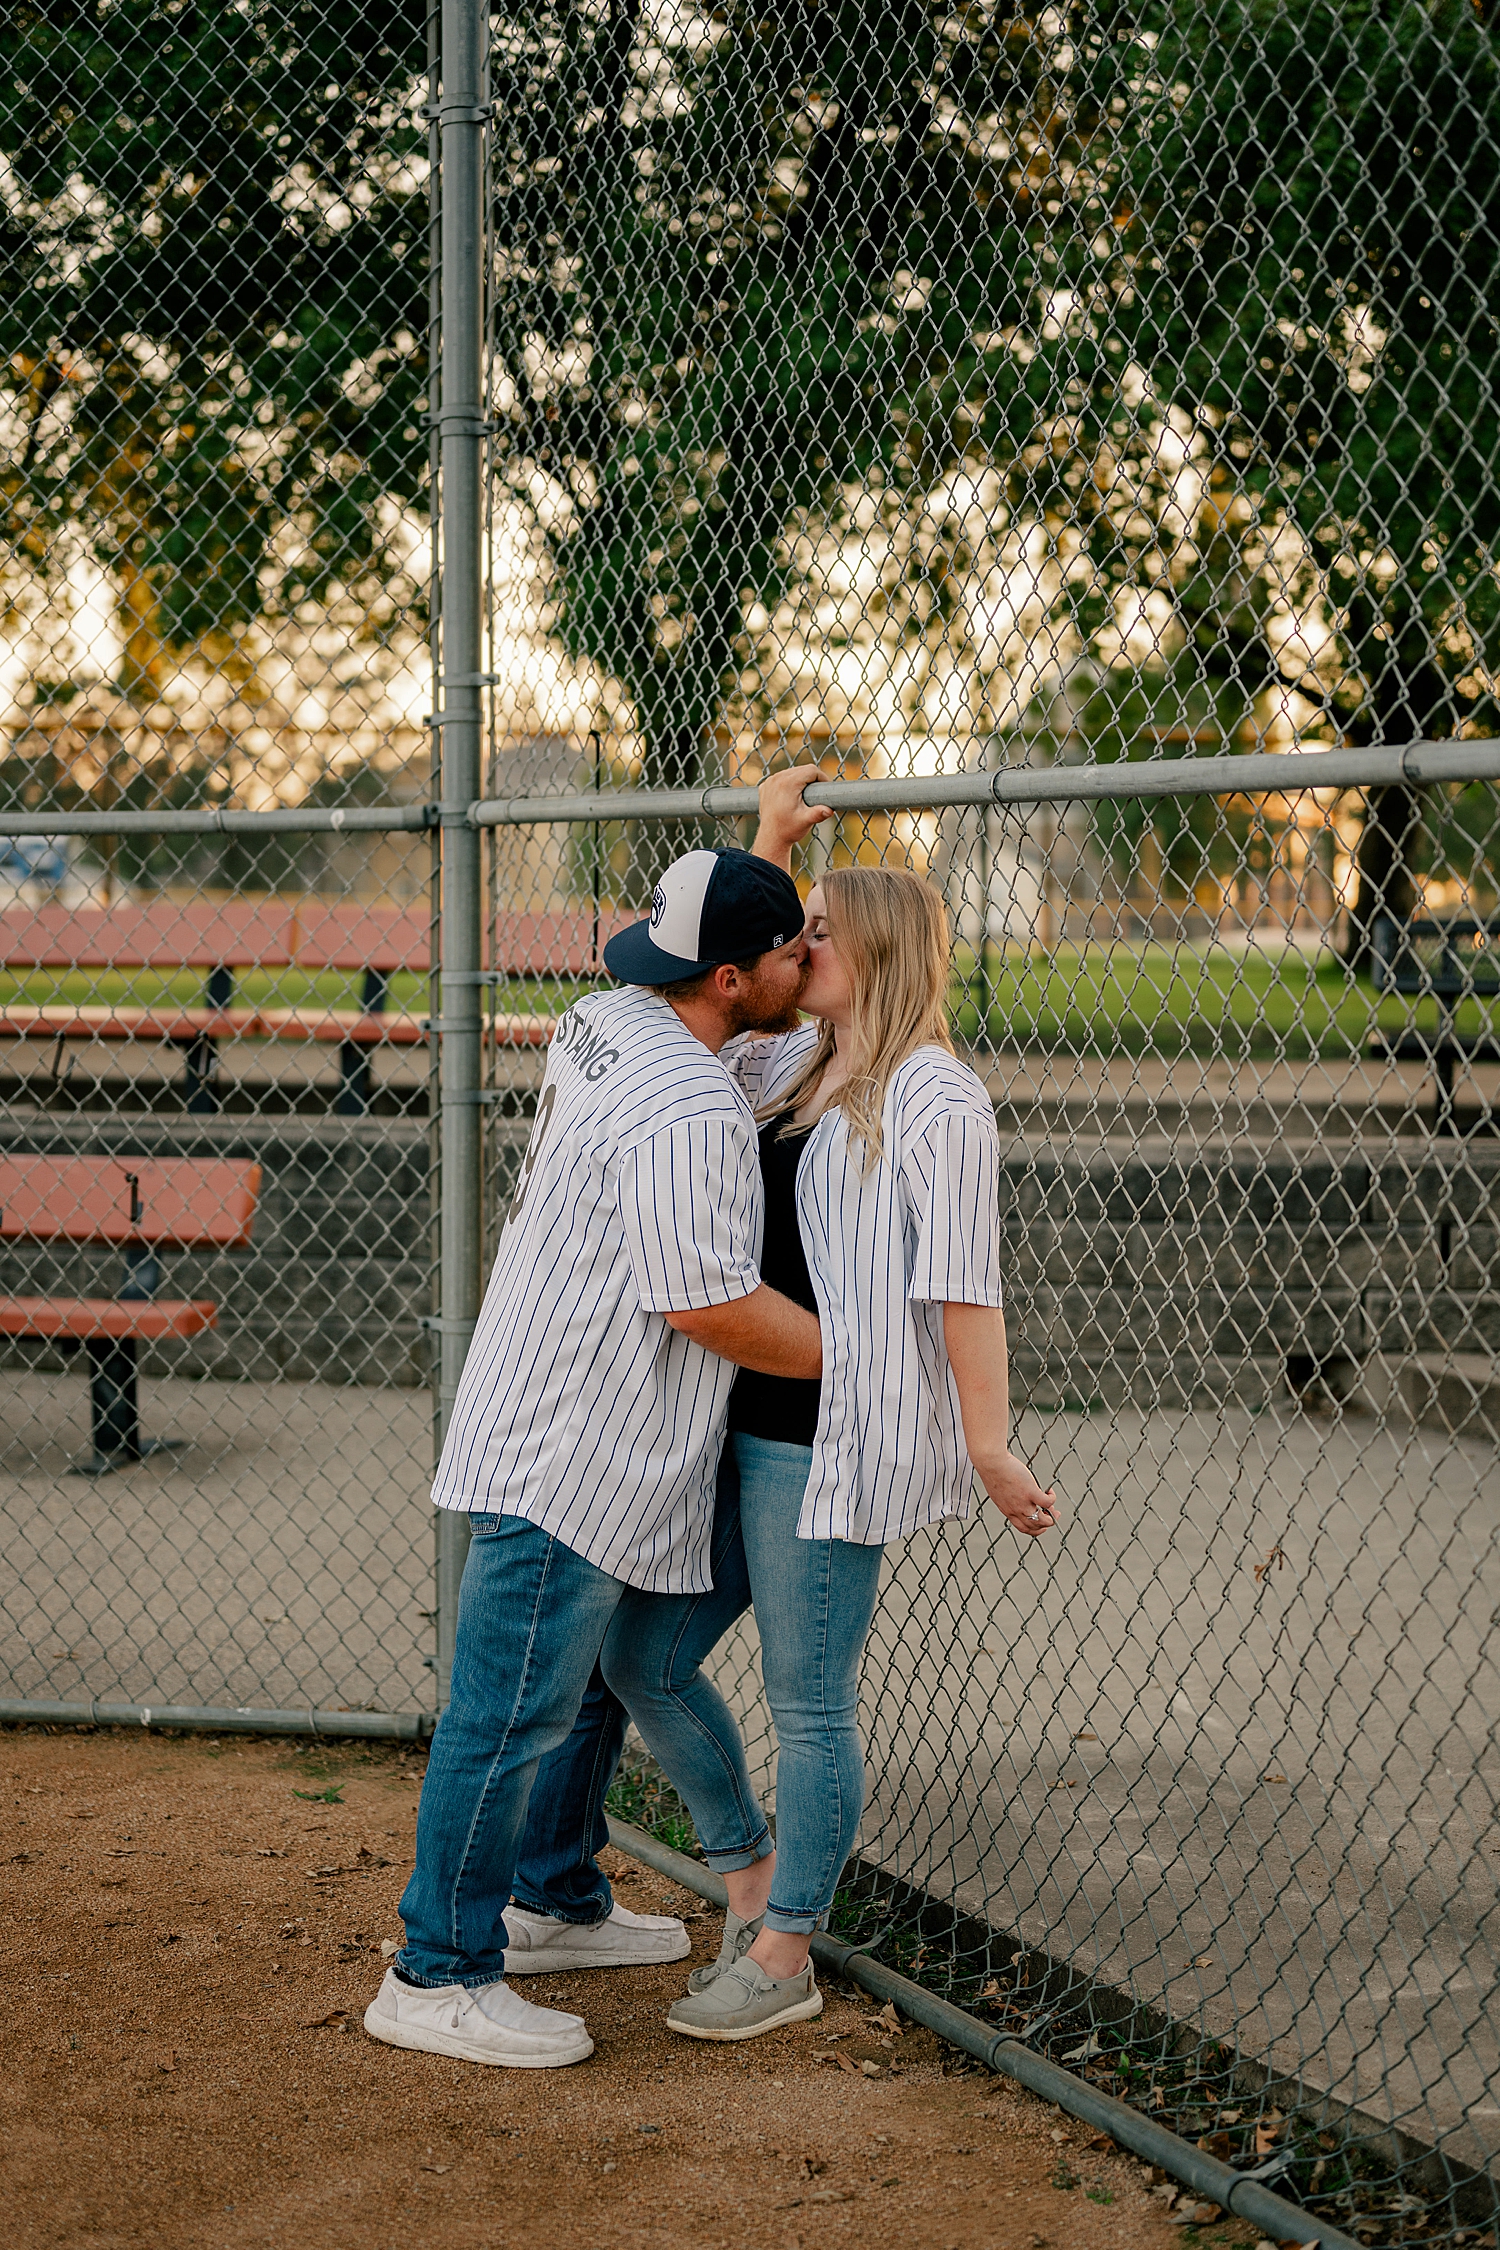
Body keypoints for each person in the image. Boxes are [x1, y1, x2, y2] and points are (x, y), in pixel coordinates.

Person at [599, 784, 1060, 2043]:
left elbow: (966, 1287)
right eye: (795, 934)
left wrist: (986, 1440)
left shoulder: (936, 1098)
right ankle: (746, 1871)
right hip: (734, 1425)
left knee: (810, 1704)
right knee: (640, 1658)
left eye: (820, 935)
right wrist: (766, 847)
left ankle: (789, 1949)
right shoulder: (796, 1057)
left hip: (825, 1448)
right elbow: (724, 977)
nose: (798, 950)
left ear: (879, 954)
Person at [363, 843, 823, 2069]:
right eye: (791, 946)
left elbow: (748, 983)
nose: (807, 959)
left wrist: (771, 848)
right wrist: (868, 1358)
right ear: (730, 976)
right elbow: (707, 1300)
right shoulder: (686, 1111)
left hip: (572, 1422)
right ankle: (436, 1969)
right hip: (573, 1446)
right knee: (509, 1713)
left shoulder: (608, 1012)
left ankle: (551, 1899)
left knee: (584, 1696)